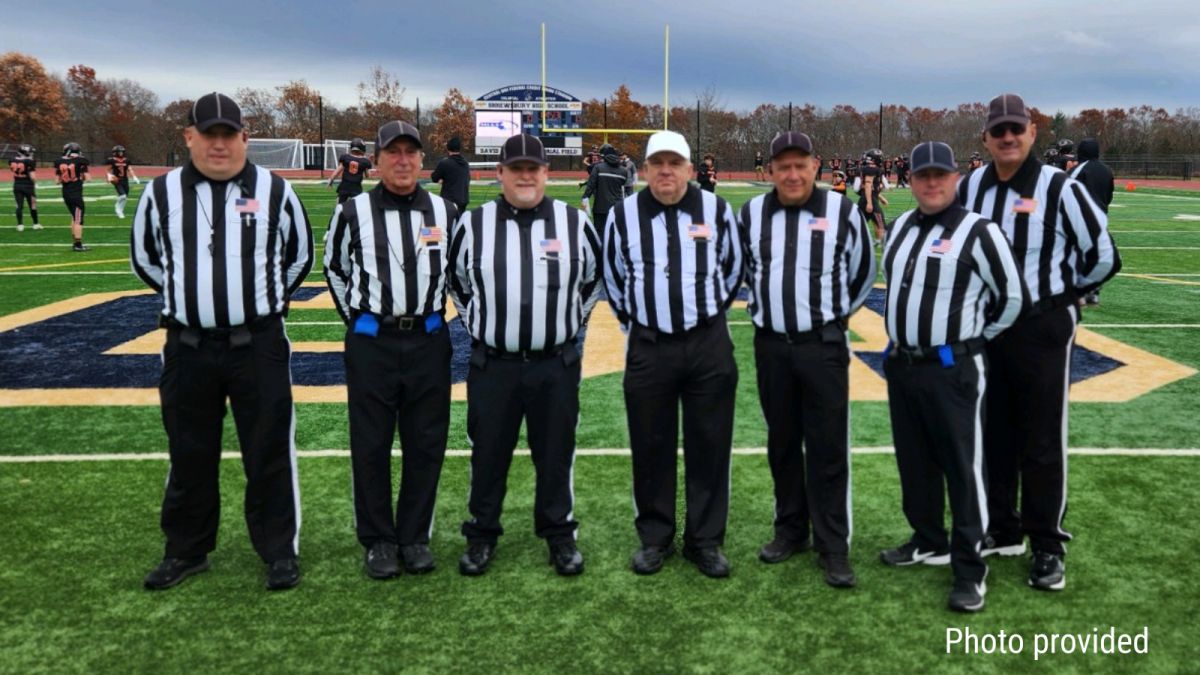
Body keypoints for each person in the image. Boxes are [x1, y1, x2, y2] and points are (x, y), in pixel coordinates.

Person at [131, 92, 314, 591]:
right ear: (188, 137)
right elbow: (146, 260)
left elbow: (299, 257)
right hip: (188, 347)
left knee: (268, 450)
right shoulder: (160, 193)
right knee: (189, 450)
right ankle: (186, 550)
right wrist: (190, 298)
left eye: (227, 134)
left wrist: (261, 300)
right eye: (208, 134)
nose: (218, 144)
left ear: (244, 138)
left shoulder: (275, 191)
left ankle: (279, 551)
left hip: (257, 345)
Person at [959, 93, 1120, 592]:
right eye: (999, 130)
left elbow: (1104, 255)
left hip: (1041, 328)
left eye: (1017, 128)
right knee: (993, 431)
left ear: (1032, 133)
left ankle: (1047, 543)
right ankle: (1002, 527)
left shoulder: (1060, 188)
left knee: (1042, 437)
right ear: (986, 138)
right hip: (989, 328)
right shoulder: (971, 187)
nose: (1008, 137)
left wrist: (1064, 296)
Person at [447, 133, 602, 577]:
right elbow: (456, 282)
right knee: (488, 453)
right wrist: (480, 323)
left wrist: (570, 323)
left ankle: (559, 535)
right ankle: (481, 534)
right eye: (516, 168)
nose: (526, 176)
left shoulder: (575, 223)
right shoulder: (473, 224)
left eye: (533, 168)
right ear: (500, 173)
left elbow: (593, 280)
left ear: (546, 173)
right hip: (494, 364)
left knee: (555, 453)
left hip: (554, 363)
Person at [879, 141, 1025, 613]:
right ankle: (928, 540)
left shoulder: (980, 231)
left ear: (956, 178)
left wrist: (971, 339)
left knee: (963, 469)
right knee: (914, 461)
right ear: (911, 180)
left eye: (940, 174)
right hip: (903, 364)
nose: (932, 183)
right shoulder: (900, 226)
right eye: (922, 175)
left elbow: (1012, 299)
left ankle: (969, 569)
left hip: (953, 367)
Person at [603, 130, 743, 578]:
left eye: (674, 163)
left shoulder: (716, 210)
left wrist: (706, 317)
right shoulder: (623, 215)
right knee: (650, 444)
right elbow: (613, 277)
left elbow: (733, 269)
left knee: (711, 443)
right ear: (644, 170)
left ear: (689, 169)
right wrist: (640, 324)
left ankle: (705, 541)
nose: (666, 171)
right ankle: (655, 537)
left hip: (707, 344)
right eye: (657, 163)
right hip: (650, 346)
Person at [739, 131, 876, 588]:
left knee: (827, 446)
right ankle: (791, 530)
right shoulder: (751, 213)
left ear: (816, 166)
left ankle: (832, 544)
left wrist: (833, 319)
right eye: (784, 166)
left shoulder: (843, 211)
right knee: (782, 442)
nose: (793, 174)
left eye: (801, 165)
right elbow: (742, 268)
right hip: (771, 346)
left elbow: (863, 272)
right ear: (771, 171)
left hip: (823, 346)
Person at [324, 121, 459, 580]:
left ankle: (414, 536)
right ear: (376, 161)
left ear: (421, 160)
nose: (403, 161)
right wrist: (357, 320)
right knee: (371, 443)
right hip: (373, 343)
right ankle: (379, 539)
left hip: (428, 340)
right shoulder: (352, 211)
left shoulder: (446, 211)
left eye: (410, 152)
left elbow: (459, 273)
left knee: (426, 442)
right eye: (393, 152)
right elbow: (334, 267)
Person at [1070, 138, 1115, 307]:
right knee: (1095, 255)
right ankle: (1093, 292)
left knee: (1076, 254)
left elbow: (1066, 190)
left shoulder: (1078, 169)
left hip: (1081, 217)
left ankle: (1079, 291)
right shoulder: (1107, 170)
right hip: (1101, 215)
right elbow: (1109, 194)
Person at [581, 143, 629, 226]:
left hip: (600, 207)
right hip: (617, 208)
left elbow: (591, 185)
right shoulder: (623, 171)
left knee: (600, 231)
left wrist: (585, 198)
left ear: (603, 155)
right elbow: (623, 184)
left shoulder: (598, 167)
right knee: (614, 231)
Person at [55, 142, 90, 251]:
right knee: (79, 220)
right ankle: (78, 245)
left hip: (65, 192)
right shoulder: (81, 161)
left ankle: (75, 242)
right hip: (76, 194)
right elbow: (88, 178)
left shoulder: (59, 161)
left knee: (74, 217)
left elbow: (57, 181)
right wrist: (81, 175)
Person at [855, 148, 889, 242]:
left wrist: (880, 197)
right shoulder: (871, 169)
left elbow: (870, 187)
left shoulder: (867, 168)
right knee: (881, 225)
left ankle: (855, 242)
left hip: (865, 199)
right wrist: (869, 203)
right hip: (870, 201)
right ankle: (885, 245)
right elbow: (868, 185)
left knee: (859, 225)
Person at [431, 136, 471, 214]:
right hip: (463, 199)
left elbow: (434, 178)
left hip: (449, 201)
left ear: (448, 148)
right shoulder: (465, 163)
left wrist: (442, 179)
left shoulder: (445, 163)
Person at [327, 138, 373, 205]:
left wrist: (331, 179)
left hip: (344, 186)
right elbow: (368, 176)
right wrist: (368, 162)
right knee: (357, 207)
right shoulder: (365, 161)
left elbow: (338, 170)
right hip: (356, 188)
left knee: (340, 206)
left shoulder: (345, 157)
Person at [10, 144, 40, 231]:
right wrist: (35, 183)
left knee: (19, 206)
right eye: (30, 152)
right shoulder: (30, 161)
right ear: (25, 152)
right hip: (28, 185)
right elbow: (32, 176)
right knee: (33, 205)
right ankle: (35, 224)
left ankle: (20, 225)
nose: (31, 153)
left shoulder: (12, 160)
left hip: (17, 184)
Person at [106, 145, 141, 218]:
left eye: (122, 152)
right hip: (117, 180)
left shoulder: (126, 160)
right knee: (123, 196)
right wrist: (109, 177)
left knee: (125, 197)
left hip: (125, 180)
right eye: (119, 152)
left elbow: (130, 169)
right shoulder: (112, 160)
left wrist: (134, 177)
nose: (121, 153)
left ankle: (121, 210)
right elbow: (108, 170)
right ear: (115, 152)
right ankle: (117, 207)